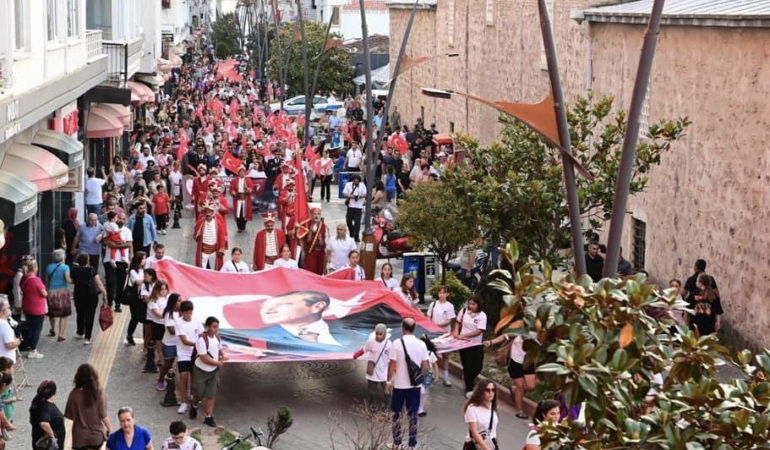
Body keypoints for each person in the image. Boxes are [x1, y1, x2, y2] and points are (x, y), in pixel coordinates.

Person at [385, 317, 429, 450]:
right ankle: (411, 445)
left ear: (402, 328)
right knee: (413, 415)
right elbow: (426, 366)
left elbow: (392, 365)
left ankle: (397, 443)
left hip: (399, 386)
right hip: (415, 387)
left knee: (396, 414)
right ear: (414, 328)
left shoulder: (397, 343)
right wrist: (419, 378)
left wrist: (388, 381)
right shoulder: (421, 344)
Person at [484, 319, 536, 419]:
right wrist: (491, 342)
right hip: (515, 362)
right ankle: (519, 410)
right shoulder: (518, 329)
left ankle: (514, 390)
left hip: (529, 362)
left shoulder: (537, 332)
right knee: (520, 386)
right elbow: (505, 336)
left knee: (531, 386)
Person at [64, 364, 112, 450]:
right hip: (96, 436)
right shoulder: (99, 393)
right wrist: (110, 430)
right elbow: (103, 415)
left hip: (79, 438)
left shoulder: (73, 395)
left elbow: (70, 416)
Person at [190, 316, 227, 427]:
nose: (216, 329)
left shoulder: (217, 338)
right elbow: (203, 357)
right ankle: (195, 404)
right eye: (214, 327)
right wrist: (217, 363)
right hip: (201, 370)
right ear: (208, 327)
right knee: (199, 393)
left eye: (217, 327)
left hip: (213, 371)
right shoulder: (202, 340)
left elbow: (219, 349)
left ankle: (209, 416)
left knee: (211, 394)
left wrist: (223, 355)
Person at [72, 253, 109, 345]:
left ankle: (80, 331)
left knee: (80, 313)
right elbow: (99, 283)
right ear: (87, 261)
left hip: (78, 294)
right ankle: (87, 337)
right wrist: (104, 293)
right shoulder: (92, 270)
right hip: (91, 295)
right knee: (90, 315)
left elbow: (71, 281)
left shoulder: (74, 271)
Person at [454, 297, 487, 397]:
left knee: (478, 367)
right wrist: (456, 331)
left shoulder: (482, 316)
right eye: (470, 304)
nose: (471, 306)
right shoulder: (464, 311)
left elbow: (479, 331)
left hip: (476, 343)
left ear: (478, 305)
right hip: (464, 344)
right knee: (467, 366)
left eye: (473, 304)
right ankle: (469, 388)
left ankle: (468, 378)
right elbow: (458, 322)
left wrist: (465, 335)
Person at [174, 301, 203, 415]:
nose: (188, 314)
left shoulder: (197, 322)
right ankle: (183, 402)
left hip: (195, 353)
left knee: (194, 376)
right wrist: (197, 344)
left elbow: (201, 335)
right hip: (183, 353)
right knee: (183, 375)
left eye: (190, 312)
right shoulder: (179, 323)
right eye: (186, 312)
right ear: (182, 312)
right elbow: (184, 341)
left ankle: (191, 393)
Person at [353, 323, 391, 408]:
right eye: (377, 334)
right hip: (373, 370)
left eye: (380, 334)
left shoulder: (389, 344)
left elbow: (392, 358)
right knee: (372, 391)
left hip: (384, 370)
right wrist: (356, 355)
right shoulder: (371, 342)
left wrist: (394, 369)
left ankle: (387, 406)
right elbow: (363, 350)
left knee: (386, 390)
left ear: (384, 334)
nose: (378, 336)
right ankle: (372, 406)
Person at [103, 212, 133, 311]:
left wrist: (115, 246)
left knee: (121, 283)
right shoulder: (109, 228)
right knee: (111, 282)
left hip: (122, 261)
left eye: (123, 219)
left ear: (126, 220)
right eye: (119, 218)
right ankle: (109, 301)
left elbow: (129, 244)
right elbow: (106, 241)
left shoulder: (127, 231)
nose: (120, 220)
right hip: (109, 260)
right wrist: (118, 244)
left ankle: (118, 303)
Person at [426, 286, 455, 386]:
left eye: (444, 293)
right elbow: (428, 316)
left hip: (445, 334)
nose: (442, 295)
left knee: (445, 355)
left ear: (447, 294)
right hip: (433, 333)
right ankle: (431, 374)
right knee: (432, 353)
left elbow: (449, 320)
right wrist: (431, 325)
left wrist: (438, 325)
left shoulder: (450, 306)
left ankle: (446, 377)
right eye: (440, 292)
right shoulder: (433, 304)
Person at [20, 259, 46, 358]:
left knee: (30, 328)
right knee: (37, 329)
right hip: (37, 308)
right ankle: (33, 350)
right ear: (34, 268)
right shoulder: (36, 280)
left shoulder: (24, 278)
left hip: (27, 306)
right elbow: (44, 293)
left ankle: (29, 345)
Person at [463, 379, 500, 450]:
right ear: (481, 392)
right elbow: (474, 432)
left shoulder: (493, 407)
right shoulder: (472, 408)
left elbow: (494, 429)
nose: (491, 393)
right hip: (475, 445)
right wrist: (486, 448)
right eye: (487, 390)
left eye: (493, 390)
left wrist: (496, 446)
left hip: (491, 443)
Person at [46, 248, 73, 342]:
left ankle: (52, 329)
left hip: (51, 291)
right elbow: (68, 280)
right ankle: (61, 335)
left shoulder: (49, 267)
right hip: (63, 292)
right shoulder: (65, 267)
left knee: (52, 313)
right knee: (63, 314)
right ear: (62, 258)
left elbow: (47, 280)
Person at [29, 380, 66, 450]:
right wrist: (52, 436)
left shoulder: (38, 403)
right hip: (48, 446)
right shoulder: (46, 406)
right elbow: (44, 423)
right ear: (54, 392)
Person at [193, 203, 228, 270]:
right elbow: (195, 235)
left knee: (214, 269)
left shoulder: (218, 223)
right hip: (203, 251)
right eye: (206, 212)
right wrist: (197, 234)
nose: (208, 214)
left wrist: (222, 247)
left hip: (214, 251)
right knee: (202, 269)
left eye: (210, 212)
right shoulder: (199, 223)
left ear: (213, 213)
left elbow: (221, 236)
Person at [158, 294, 181, 392]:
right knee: (168, 364)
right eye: (179, 301)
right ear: (173, 302)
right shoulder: (168, 314)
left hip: (180, 344)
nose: (181, 302)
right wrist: (184, 330)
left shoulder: (181, 313)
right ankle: (160, 379)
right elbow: (171, 330)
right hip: (169, 344)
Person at [297, 205, 328, 275]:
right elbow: (301, 238)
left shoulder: (324, 226)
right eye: (315, 214)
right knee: (310, 272)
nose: (316, 216)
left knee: (319, 272)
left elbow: (327, 242)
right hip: (310, 252)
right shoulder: (306, 225)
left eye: (318, 214)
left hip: (321, 253)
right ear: (311, 214)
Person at [125, 252, 147, 346]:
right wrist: (147, 278)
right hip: (134, 298)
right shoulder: (133, 271)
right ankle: (129, 335)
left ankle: (146, 338)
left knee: (145, 318)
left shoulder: (144, 269)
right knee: (135, 317)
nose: (145, 260)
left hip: (143, 297)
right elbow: (138, 282)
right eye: (143, 258)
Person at [417, 334, 440, 417]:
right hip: (419, 374)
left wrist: (437, 375)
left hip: (428, 375)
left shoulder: (430, 354)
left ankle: (421, 408)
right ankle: (417, 407)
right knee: (421, 391)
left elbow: (435, 365)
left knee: (424, 392)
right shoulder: (416, 353)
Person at [229, 166, 255, 232]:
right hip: (237, 199)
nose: (242, 173)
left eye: (243, 172)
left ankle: (243, 225)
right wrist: (234, 193)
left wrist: (248, 190)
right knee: (238, 214)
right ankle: (239, 227)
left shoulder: (248, 180)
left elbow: (251, 188)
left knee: (245, 214)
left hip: (245, 199)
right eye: (240, 172)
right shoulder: (234, 180)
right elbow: (231, 189)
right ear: (238, 173)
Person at [342, 174, 366, 243]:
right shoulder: (348, 185)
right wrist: (350, 196)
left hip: (358, 206)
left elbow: (365, 194)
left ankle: (356, 236)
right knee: (348, 220)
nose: (356, 182)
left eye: (357, 181)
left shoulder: (362, 185)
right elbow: (344, 193)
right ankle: (352, 231)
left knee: (357, 222)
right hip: (350, 206)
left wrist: (359, 196)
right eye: (355, 181)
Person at [0, 297, 20, 363]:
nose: (10, 309)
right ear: (3, 311)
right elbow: (10, 345)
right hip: (5, 361)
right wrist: (18, 341)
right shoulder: (4, 325)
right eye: (8, 308)